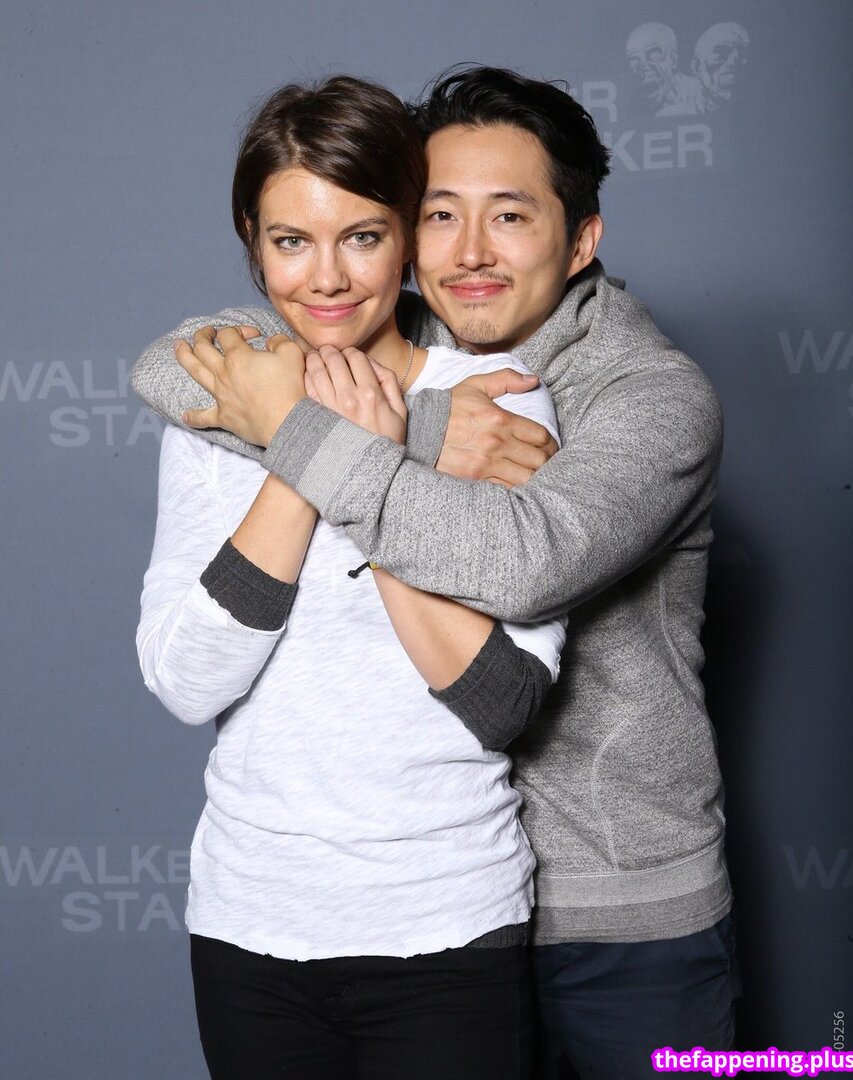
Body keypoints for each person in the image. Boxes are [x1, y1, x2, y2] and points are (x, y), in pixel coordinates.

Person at [134, 66, 736, 1079]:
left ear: (581, 239)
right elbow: (170, 367)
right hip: (430, 895)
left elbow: (524, 562)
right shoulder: (405, 351)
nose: (469, 252)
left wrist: (332, 429)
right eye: (440, 215)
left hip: (615, 908)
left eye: (511, 216)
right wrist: (407, 426)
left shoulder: (644, 397)